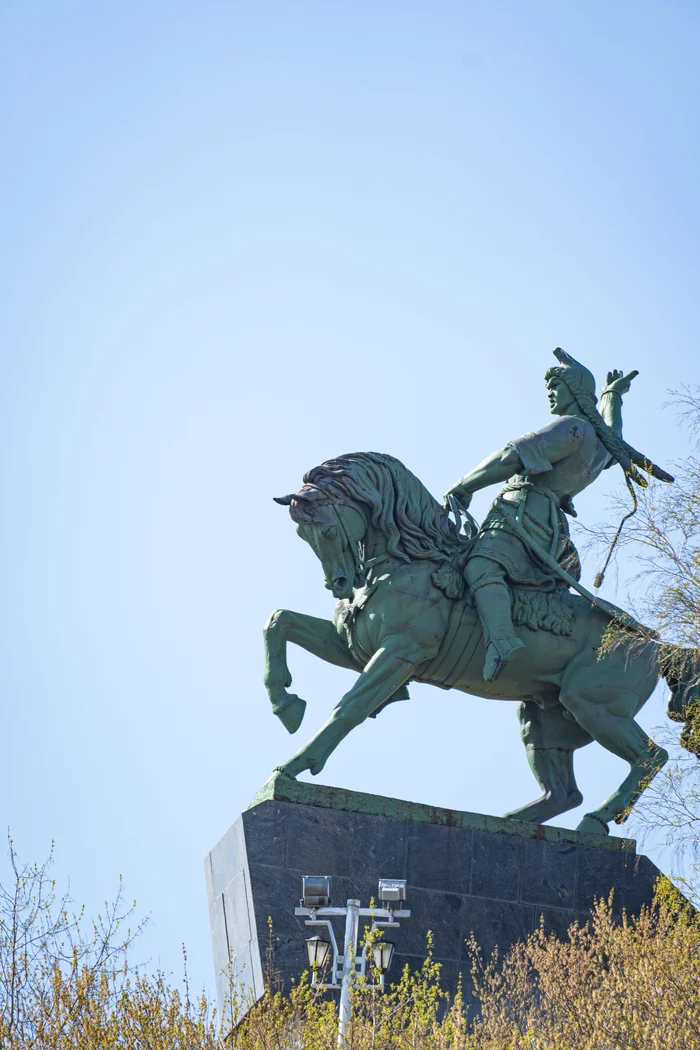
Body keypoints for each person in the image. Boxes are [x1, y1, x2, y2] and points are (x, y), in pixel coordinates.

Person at [443, 348, 672, 683]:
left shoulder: (571, 428)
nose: (550, 392)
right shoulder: (599, 443)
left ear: (576, 393)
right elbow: (614, 436)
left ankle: (502, 639)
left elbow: (513, 457)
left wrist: (465, 485)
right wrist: (612, 397)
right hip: (552, 528)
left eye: (556, 386)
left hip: (524, 515)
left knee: (481, 565)